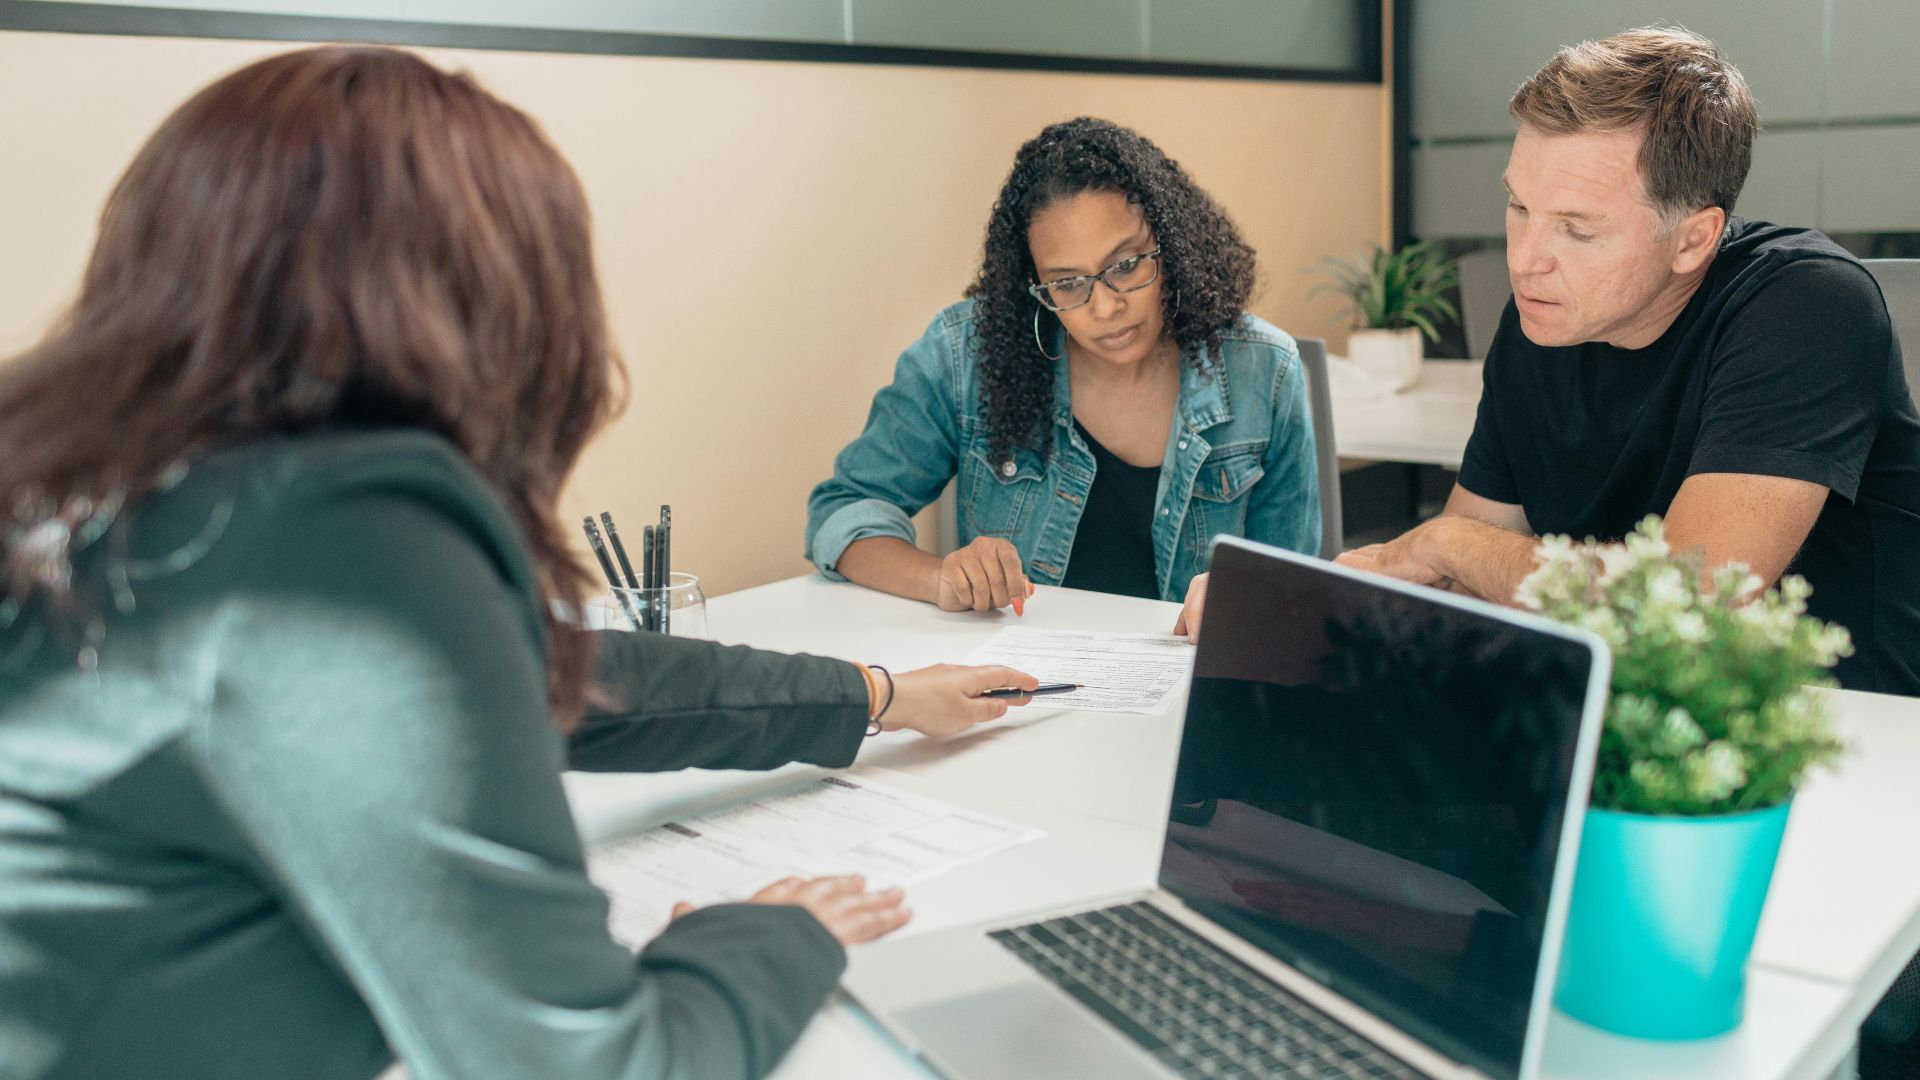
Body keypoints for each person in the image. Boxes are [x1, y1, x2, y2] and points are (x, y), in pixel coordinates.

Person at [0, 46, 1039, 1080]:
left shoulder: (126, 491)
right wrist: (767, 935)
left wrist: (877, 694)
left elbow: (545, 677)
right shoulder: (336, 533)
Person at [1178, 28, 1920, 699]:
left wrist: (1448, 541)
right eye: (1519, 207)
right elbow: (1450, 587)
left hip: (1844, 739)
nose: (1527, 260)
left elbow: (1690, 601)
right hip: (1624, 718)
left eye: (1577, 229)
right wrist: (1292, 598)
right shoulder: (1542, 321)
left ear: (1695, 239)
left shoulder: (1808, 304)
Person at [805, 117, 1320, 614]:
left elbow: (1295, 584)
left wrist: (1248, 601)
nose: (1104, 307)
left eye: (1125, 265)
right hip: (1018, 688)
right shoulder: (965, 355)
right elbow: (844, 510)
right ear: (1034, 285)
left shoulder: (1262, 369)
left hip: (1184, 689)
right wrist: (941, 577)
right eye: (1067, 283)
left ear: (1174, 247)